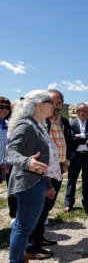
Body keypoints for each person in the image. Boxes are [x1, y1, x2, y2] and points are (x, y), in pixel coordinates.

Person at [6, 90, 60, 262]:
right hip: (28, 183)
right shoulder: (26, 125)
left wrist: (48, 184)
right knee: (24, 227)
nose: (53, 105)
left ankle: (18, 258)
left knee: (22, 226)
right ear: (38, 105)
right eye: (49, 102)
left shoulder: (38, 125)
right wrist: (28, 162)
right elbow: (10, 153)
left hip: (37, 181)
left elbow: (41, 158)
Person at [26, 89, 74, 260]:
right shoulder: (40, 121)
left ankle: (39, 238)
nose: (55, 106)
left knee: (46, 207)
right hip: (43, 170)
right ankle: (31, 247)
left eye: (59, 102)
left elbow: (70, 142)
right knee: (39, 208)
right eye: (52, 102)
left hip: (59, 169)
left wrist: (67, 162)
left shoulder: (64, 122)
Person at [64, 103, 88, 212]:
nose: (84, 113)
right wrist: (87, 138)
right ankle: (69, 203)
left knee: (87, 179)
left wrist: (81, 136)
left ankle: (86, 202)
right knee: (72, 179)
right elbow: (71, 138)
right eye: (81, 110)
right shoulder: (71, 124)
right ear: (76, 112)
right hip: (75, 156)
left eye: (86, 111)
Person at [0, 97, 16, 224]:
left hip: (6, 164)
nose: (4, 110)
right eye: (1, 107)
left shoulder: (7, 124)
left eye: (7, 107)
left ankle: (13, 216)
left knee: (12, 189)